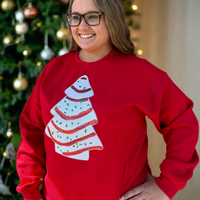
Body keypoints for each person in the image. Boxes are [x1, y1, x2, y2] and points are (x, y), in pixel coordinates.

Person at [16, 0, 199, 199]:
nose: (82, 26)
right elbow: (31, 133)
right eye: (75, 17)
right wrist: (30, 191)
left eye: (92, 16)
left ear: (111, 19)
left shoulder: (139, 74)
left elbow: (182, 124)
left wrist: (167, 184)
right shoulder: (53, 70)